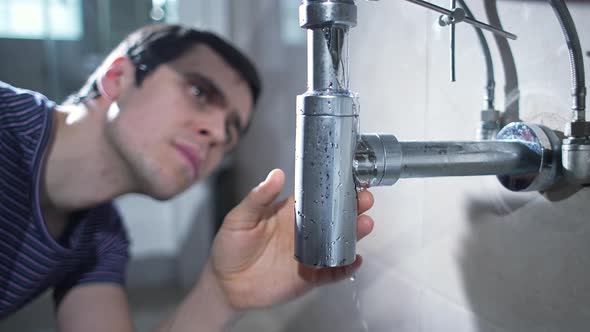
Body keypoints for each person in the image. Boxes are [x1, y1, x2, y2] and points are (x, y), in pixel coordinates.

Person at [0, 23, 374, 331]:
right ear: (117, 77)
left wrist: (219, 295)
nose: (216, 134)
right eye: (199, 92)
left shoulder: (99, 239)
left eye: (230, 132)